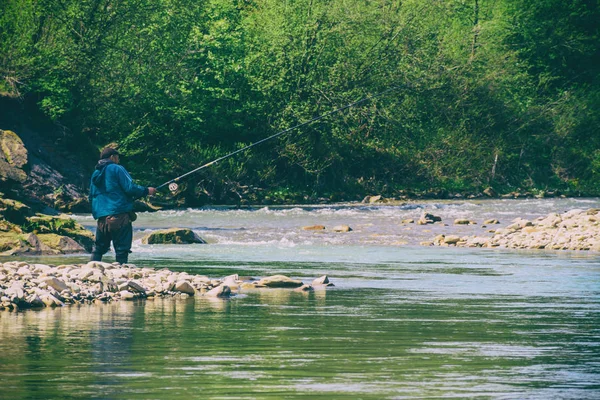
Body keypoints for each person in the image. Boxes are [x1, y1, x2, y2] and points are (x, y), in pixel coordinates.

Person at [89, 147, 156, 264]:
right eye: (117, 157)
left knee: (99, 248)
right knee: (121, 249)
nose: (118, 160)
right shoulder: (117, 169)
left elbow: (91, 196)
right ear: (112, 157)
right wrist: (146, 191)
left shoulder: (96, 173)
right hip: (118, 215)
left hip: (101, 217)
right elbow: (130, 188)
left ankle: (91, 268)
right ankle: (122, 269)